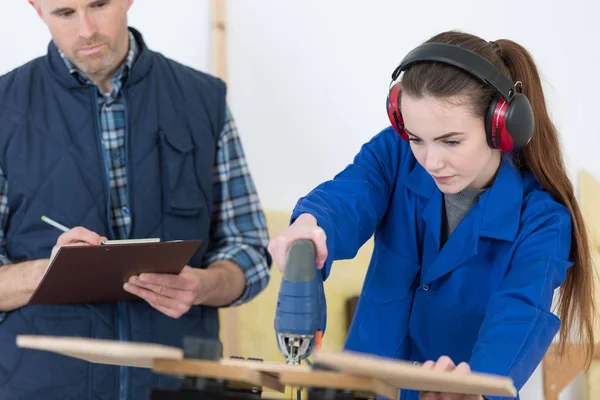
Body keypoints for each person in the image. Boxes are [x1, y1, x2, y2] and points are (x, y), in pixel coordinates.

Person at [269, 30, 595, 400]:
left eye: (451, 141)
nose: (430, 161)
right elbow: (348, 197)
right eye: (416, 138)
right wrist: (311, 227)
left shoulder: (542, 223)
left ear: (500, 128)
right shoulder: (395, 154)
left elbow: (517, 319)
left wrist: (473, 390)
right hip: (359, 391)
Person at [0, 1, 271, 399]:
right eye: (65, 13)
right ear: (37, 9)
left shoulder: (203, 100)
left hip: (179, 383)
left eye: (98, 4)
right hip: (41, 386)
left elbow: (248, 248)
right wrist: (55, 272)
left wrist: (206, 285)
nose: (87, 29)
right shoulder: (4, 109)